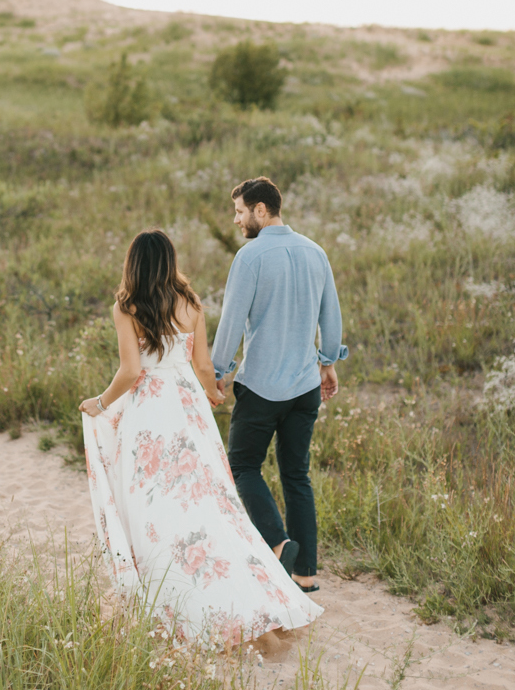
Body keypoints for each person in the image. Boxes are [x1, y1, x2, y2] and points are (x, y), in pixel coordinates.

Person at [81, 229, 322, 646]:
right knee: (210, 500)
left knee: (155, 507)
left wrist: (100, 403)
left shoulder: (127, 308)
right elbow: (204, 365)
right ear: (170, 261)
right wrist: (211, 392)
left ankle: (170, 594)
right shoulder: (190, 304)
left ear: (133, 264)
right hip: (187, 408)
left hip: (149, 415)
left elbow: (131, 371)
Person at [211, 176, 348, 595]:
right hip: (305, 385)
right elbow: (332, 314)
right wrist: (328, 362)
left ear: (261, 210)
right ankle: (305, 574)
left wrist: (218, 371)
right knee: (296, 475)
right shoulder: (316, 252)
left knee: (243, 466)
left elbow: (232, 320)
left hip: (262, 387)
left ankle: (278, 542)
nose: (236, 220)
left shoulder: (250, 257)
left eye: (239, 211)